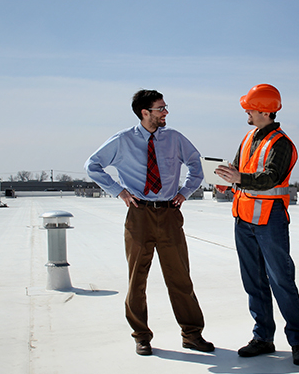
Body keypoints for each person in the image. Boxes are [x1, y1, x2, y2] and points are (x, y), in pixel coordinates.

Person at [84, 89, 214, 356]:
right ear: (145, 113)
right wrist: (118, 190)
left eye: (165, 108)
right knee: (137, 279)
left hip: (169, 214)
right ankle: (141, 336)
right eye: (161, 108)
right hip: (139, 215)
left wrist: (184, 192)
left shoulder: (175, 138)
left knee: (180, 278)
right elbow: (92, 165)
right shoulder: (122, 140)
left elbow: (196, 164)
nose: (165, 112)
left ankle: (192, 334)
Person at [215, 84, 299, 365]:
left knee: (281, 280)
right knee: (253, 281)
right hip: (244, 218)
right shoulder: (248, 138)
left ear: (266, 111)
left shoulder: (282, 144)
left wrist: (239, 178)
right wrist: (225, 180)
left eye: (250, 108)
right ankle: (263, 337)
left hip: (270, 221)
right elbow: (238, 169)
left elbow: (269, 178)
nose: (247, 112)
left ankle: (298, 342)